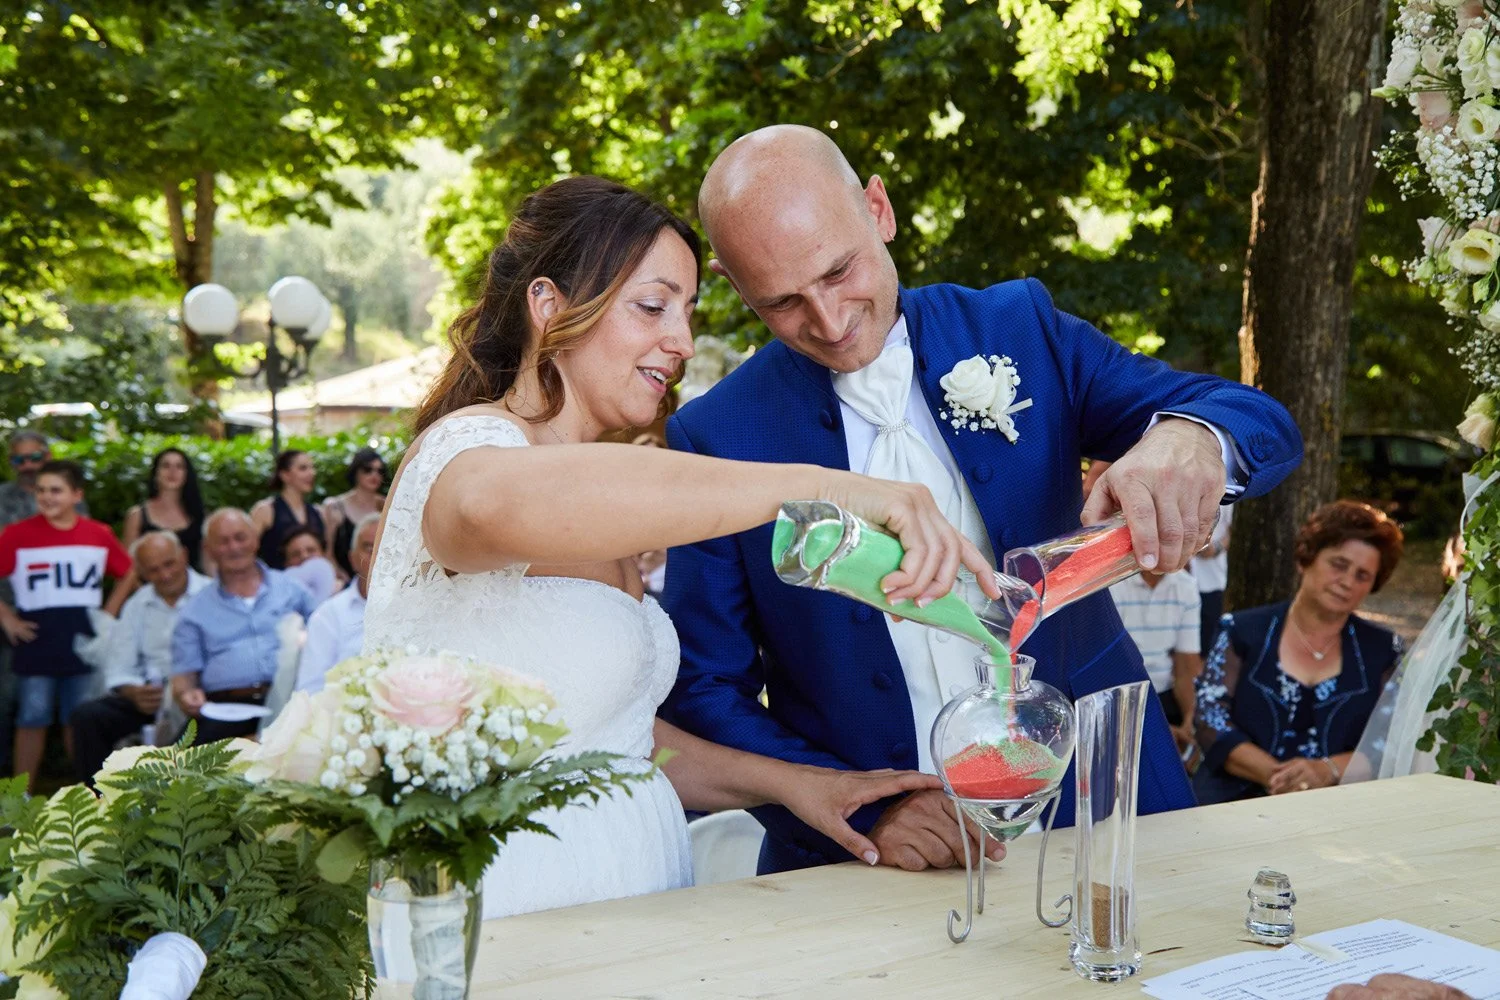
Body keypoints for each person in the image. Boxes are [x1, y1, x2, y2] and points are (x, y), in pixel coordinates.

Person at [659, 124, 1303, 874]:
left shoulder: (1019, 328)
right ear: (738, 290)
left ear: (879, 210)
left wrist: (1190, 438)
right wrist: (864, 807)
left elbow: (1259, 421)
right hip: (876, 858)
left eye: (839, 272)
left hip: (1104, 801)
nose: (830, 322)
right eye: (782, 302)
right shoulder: (714, 433)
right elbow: (704, 687)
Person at [365, 175, 970, 920]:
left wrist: (800, 785)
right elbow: (489, 506)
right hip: (511, 900)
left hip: (637, 888)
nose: (681, 342)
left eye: (686, 312)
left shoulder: (597, 511)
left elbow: (613, 738)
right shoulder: (469, 449)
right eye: (652, 306)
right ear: (549, 306)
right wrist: (831, 488)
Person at [1192, 501, 1405, 805]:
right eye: (1339, 564)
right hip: (1234, 800)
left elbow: (1391, 738)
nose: (1346, 582)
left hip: (1339, 805)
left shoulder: (1384, 648)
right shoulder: (1240, 630)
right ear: (1306, 559)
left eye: (1362, 575)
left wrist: (1325, 771)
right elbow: (1209, 718)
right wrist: (1278, 777)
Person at [0, 460, 132, 792]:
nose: (46, 496)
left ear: (76, 494)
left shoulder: (98, 534)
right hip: (36, 638)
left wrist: (109, 611)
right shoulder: (17, 535)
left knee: (80, 719)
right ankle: (22, 798)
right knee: (32, 718)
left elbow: (129, 570)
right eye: (41, 490)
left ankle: (90, 794)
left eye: (55, 490)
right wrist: (7, 619)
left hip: (83, 640)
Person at [69, 531, 209, 783]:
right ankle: (97, 800)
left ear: (184, 556)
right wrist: (133, 691)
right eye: (154, 570)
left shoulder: (211, 593)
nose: (165, 575)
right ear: (142, 573)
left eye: (169, 564)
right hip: (151, 697)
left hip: (201, 693)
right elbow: (119, 665)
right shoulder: (137, 605)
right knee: (88, 716)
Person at [171, 508, 317, 744]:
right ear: (209, 550)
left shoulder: (292, 590)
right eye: (223, 541)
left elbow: (324, 633)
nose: (234, 547)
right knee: (173, 767)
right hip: (225, 710)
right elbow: (184, 674)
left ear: (255, 540)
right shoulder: (194, 610)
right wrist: (186, 694)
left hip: (292, 699)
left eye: (240, 537)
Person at [0, 431, 80, 775]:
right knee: (10, 701)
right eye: (20, 459)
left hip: (62, 621)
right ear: (10, 463)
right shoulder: (2, 499)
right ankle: (10, 789)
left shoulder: (72, 499)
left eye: (35, 458)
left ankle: (79, 787)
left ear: (47, 457)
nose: (28, 466)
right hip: (11, 617)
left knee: (71, 709)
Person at [1109, 569, 1201, 752]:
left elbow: (1186, 667)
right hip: (1120, 695)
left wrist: (1191, 720)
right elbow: (1109, 666)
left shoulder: (1186, 586)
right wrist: (1155, 730)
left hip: (1163, 696)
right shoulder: (1113, 583)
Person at [296, 514, 378, 693]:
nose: (379, 555)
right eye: (369, 548)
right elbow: (309, 690)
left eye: (387, 545)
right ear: (352, 559)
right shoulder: (329, 614)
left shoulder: (420, 610)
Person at [121, 448, 207, 572]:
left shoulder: (201, 516)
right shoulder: (137, 515)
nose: (172, 471)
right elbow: (128, 567)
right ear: (155, 473)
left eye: (179, 466)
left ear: (187, 474)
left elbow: (209, 563)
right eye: (166, 466)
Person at [251, 449, 327, 569]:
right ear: (284, 475)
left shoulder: (318, 512)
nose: (311, 473)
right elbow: (247, 550)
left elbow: (326, 555)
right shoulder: (265, 510)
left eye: (312, 468)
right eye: (303, 468)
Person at [323, 448, 387, 578]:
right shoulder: (335, 506)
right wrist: (340, 577)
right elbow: (327, 552)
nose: (374, 475)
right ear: (356, 471)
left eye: (379, 471)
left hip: (380, 580)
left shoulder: (387, 505)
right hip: (345, 582)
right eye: (367, 470)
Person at [1190, 503, 1233, 654]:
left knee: (1207, 645)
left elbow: (1232, 530)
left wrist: (1215, 549)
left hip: (1212, 581)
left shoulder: (1226, 490)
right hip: (1178, 580)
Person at [279, 525, 338, 606]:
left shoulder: (344, 591)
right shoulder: (279, 598)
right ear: (286, 563)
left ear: (323, 554)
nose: (304, 556)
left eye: (311, 550)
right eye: (295, 554)